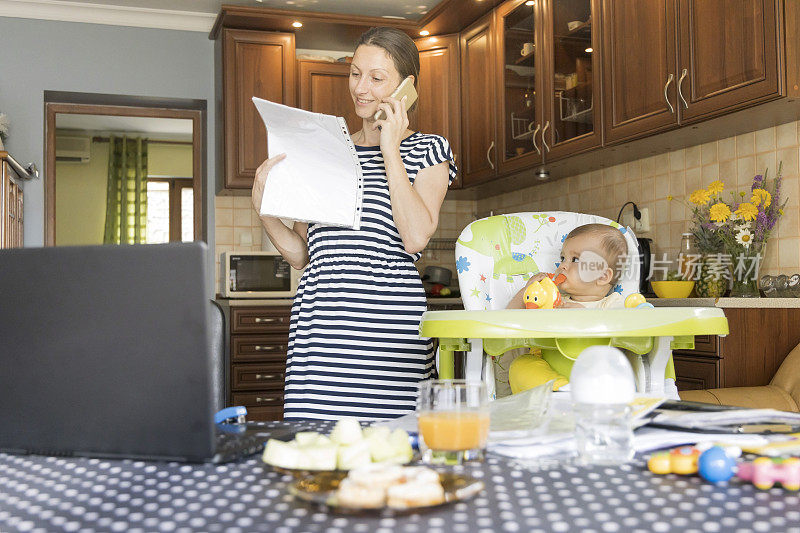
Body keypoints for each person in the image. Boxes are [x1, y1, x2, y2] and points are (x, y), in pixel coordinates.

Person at [251, 27, 457, 420]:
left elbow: (414, 237)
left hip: (389, 332)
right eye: (354, 73)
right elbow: (301, 255)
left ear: (406, 87)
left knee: (394, 454)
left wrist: (390, 150)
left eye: (377, 78)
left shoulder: (429, 149)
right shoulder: (324, 150)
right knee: (316, 453)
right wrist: (264, 207)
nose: (361, 88)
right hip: (321, 328)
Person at [506, 224, 628, 392]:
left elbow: (624, 343)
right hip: (548, 370)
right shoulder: (551, 300)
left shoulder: (613, 305)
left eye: (575, 260)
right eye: (563, 258)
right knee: (520, 365)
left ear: (602, 276)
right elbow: (508, 318)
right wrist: (528, 292)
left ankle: (564, 393)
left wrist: (584, 319)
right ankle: (560, 390)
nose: (562, 265)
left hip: (595, 377)